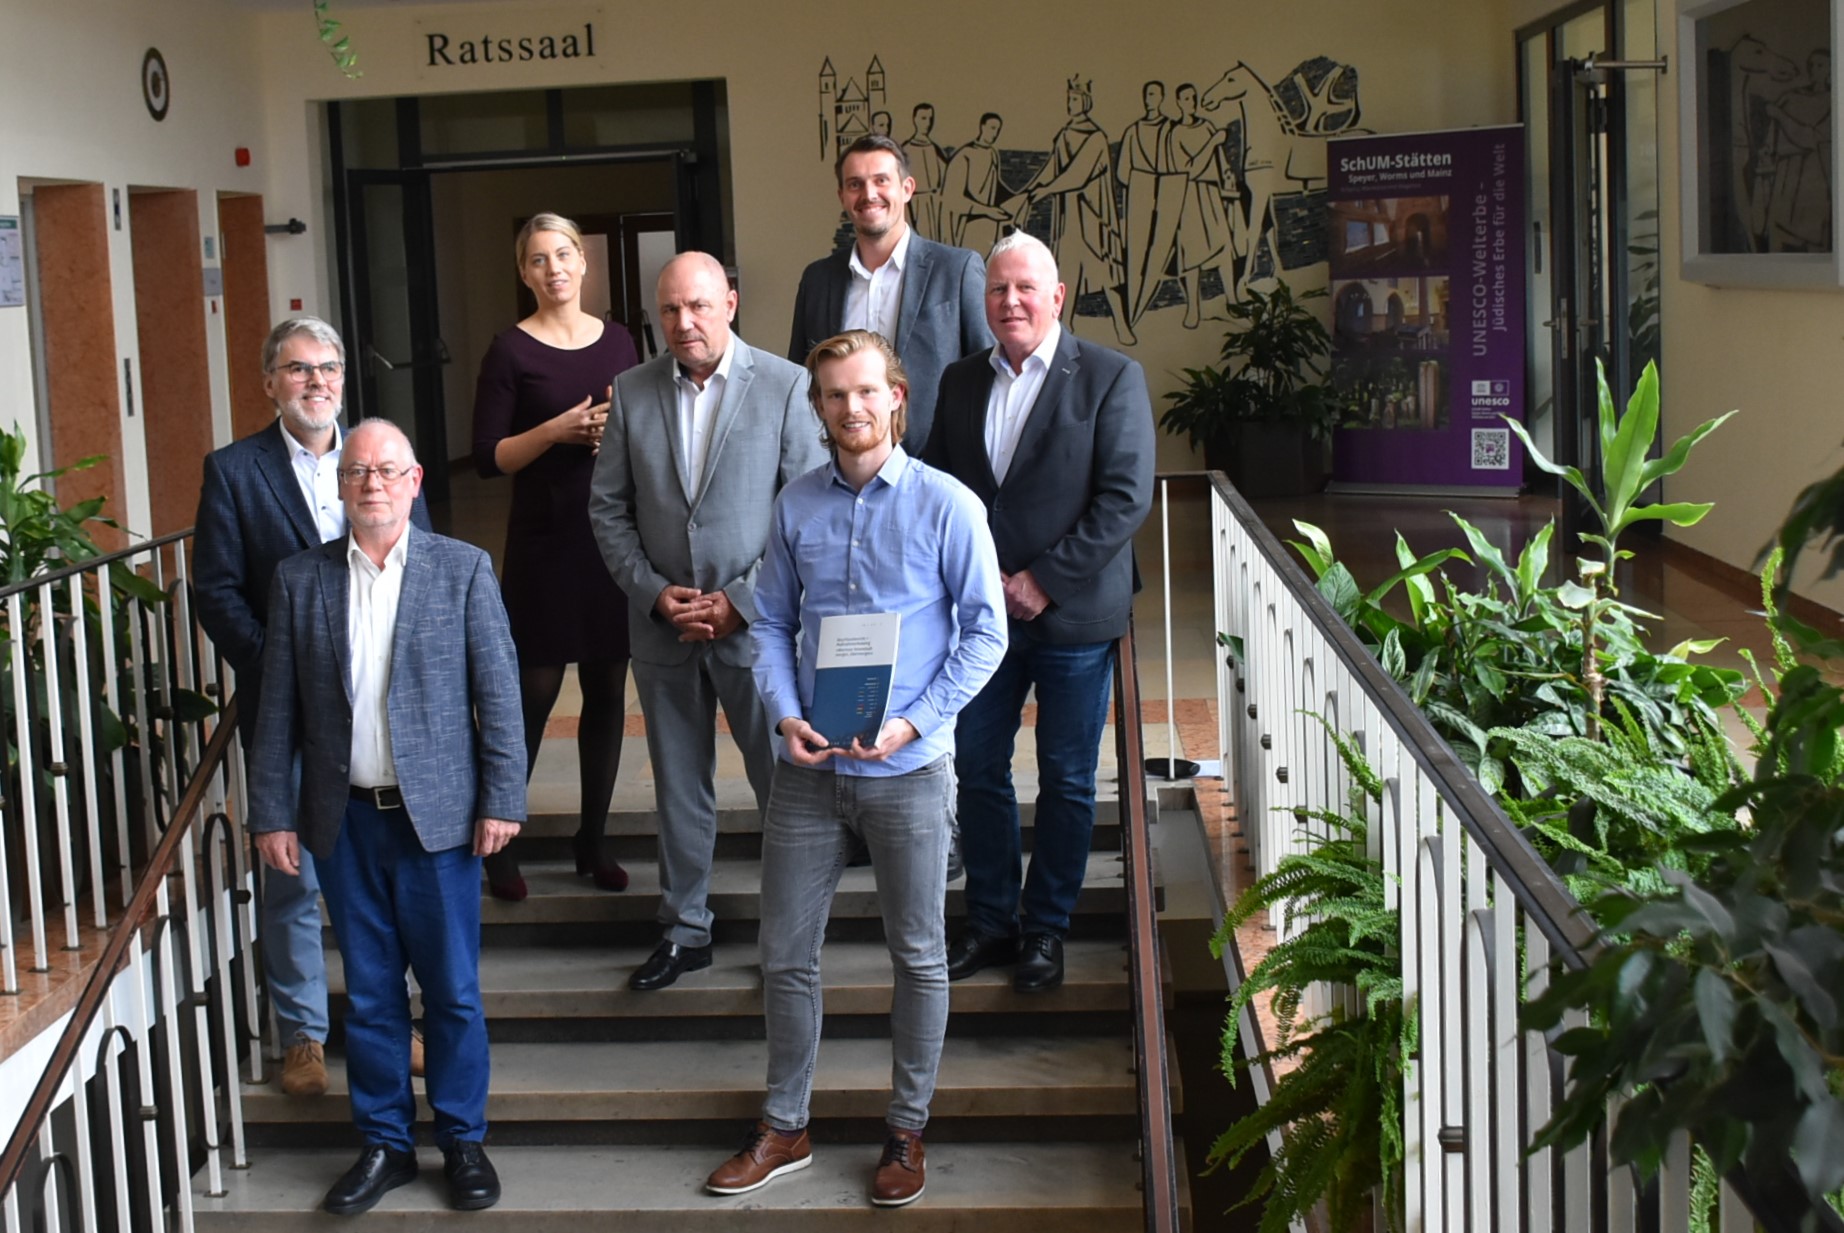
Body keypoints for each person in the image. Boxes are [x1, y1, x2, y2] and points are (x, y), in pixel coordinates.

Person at [706, 330, 1005, 1207]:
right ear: (819, 407)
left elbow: (986, 633)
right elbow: (768, 621)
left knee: (919, 956)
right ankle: (785, 1125)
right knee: (784, 953)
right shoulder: (796, 504)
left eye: (867, 390)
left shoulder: (949, 505)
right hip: (809, 769)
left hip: (909, 771)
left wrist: (915, 721)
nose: (852, 407)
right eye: (835, 394)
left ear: (896, 397)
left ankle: (906, 1128)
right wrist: (783, 713)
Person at [247, 419, 525, 1215]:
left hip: (438, 822)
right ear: (341, 487)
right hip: (344, 821)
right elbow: (277, 710)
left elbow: (499, 690)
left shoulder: (462, 569)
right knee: (369, 996)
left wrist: (503, 797)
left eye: (388, 470)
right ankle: (385, 1144)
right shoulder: (300, 580)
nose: (372, 482)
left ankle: (462, 1139)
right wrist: (271, 812)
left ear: (414, 482)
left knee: (452, 991)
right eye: (358, 471)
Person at [193, 316, 432, 1100]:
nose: (316, 381)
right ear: (270, 382)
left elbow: (424, 565)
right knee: (293, 873)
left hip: (387, 704)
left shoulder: (379, 455)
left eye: (327, 367)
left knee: (392, 865)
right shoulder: (235, 471)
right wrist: (282, 667)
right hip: (289, 712)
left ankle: (400, 1020)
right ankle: (302, 1032)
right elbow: (216, 591)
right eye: (298, 369)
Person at [923, 233, 1154, 994]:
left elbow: (1125, 497)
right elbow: (940, 489)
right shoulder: (960, 379)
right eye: (998, 289)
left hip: (1072, 617)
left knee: (1067, 776)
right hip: (982, 619)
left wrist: (1043, 581)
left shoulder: (1112, 376)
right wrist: (974, 581)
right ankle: (992, 921)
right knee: (977, 768)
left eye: (1026, 288)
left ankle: (1046, 927)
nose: (1011, 301)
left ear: (1057, 296)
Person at [589, 252, 824, 991]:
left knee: (781, 782)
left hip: (757, 629)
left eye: (697, 305)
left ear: (730, 302)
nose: (683, 322)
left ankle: (791, 934)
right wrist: (655, 593)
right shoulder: (632, 390)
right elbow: (608, 509)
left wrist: (739, 601)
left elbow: (805, 511)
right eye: (669, 309)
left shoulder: (786, 385)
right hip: (662, 627)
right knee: (678, 787)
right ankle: (685, 929)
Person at [472, 212, 640, 901]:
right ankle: (499, 840)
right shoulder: (509, 350)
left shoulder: (621, 340)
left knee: (607, 689)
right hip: (544, 541)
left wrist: (612, 434)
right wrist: (557, 429)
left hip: (610, 538)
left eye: (563, 254)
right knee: (532, 695)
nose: (554, 268)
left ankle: (592, 838)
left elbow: (642, 428)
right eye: (539, 259)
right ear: (525, 272)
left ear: (583, 261)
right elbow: (489, 456)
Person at [788, 134, 991, 454]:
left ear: (907, 188)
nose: (869, 194)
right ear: (842, 196)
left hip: (936, 466)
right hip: (839, 467)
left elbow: (988, 375)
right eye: (855, 184)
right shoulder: (817, 280)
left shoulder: (957, 270)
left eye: (881, 180)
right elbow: (802, 381)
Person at [1018, 78, 1136, 346]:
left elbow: (1077, 175)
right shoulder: (1065, 135)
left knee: (1107, 272)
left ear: (1085, 101)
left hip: (1093, 215)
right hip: (1070, 218)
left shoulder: (1096, 137)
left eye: (1074, 99)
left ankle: (1122, 324)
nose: (1070, 104)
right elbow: (1051, 169)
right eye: (1068, 99)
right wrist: (1027, 192)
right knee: (1067, 271)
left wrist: (1044, 191)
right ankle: (1061, 330)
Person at [942, 113, 1011, 254]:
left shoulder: (993, 153)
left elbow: (995, 184)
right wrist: (987, 211)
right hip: (968, 226)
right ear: (982, 127)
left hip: (989, 227)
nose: (995, 134)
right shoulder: (965, 155)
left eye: (998, 130)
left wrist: (1017, 198)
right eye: (992, 128)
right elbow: (953, 200)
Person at [901, 104, 949, 242]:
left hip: (935, 203)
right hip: (916, 204)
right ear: (915, 119)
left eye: (930, 119)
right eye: (923, 118)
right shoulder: (905, 149)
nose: (927, 123)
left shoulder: (934, 148)